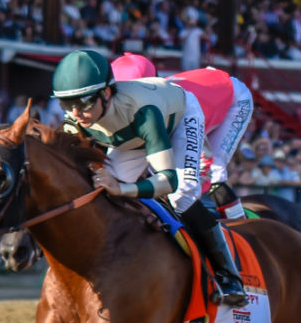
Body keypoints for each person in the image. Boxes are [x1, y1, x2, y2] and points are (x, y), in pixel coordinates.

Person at [52, 49, 246, 306]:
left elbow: (167, 181)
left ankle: (229, 276)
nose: (75, 113)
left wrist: (123, 189)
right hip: (132, 129)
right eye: (67, 104)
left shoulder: (145, 112)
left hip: (179, 118)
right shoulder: (79, 116)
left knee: (182, 195)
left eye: (84, 102)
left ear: (106, 93)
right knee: (102, 189)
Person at [109, 54, 255, 219]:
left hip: (235, 98)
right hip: (208, 88)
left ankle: (237, 224)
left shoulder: (184, 105)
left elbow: (202, 156)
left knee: (214, 171)